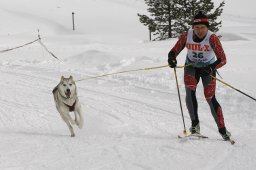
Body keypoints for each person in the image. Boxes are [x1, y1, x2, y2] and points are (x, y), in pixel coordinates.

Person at [168, 11, 231, 140]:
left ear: (207, 28)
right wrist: (172, 59)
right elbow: (173, 51)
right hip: (191, 67)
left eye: (202, 27)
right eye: (197, 27)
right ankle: (195, 126)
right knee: (190, 90)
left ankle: (222, 129)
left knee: (209, 97)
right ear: (193, 28)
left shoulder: (212, 38)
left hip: (208, 69)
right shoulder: (187, 35)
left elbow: (223, 59)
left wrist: (211, 67)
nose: (199, 30)